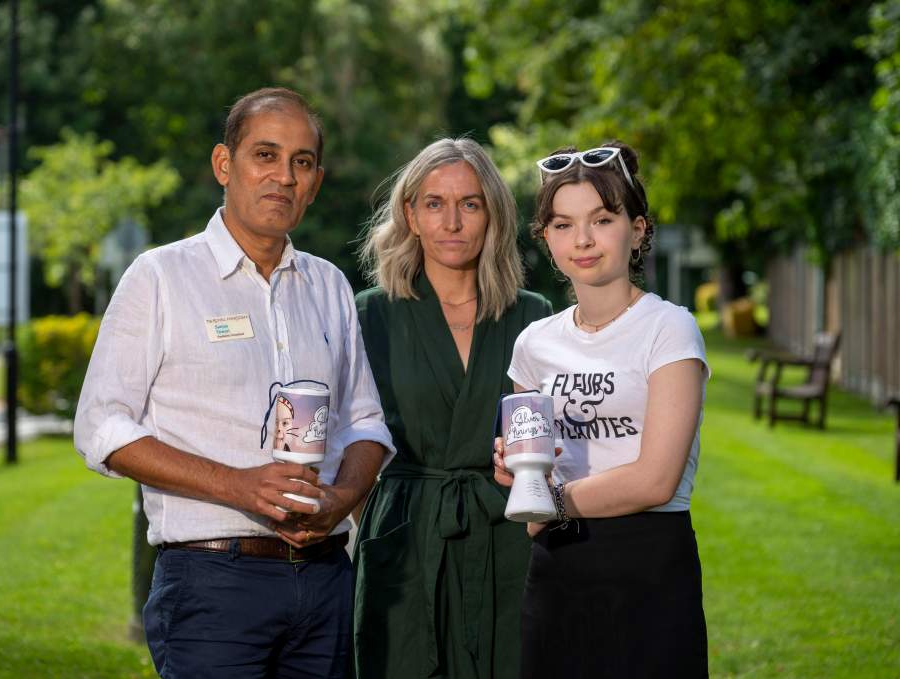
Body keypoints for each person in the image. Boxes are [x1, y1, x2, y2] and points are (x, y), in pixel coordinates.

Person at [73, 87, 394, 679]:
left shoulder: (328, 287)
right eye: (264, 156)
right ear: (225, 164)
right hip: (211, 584)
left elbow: (367, 424)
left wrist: (341, 501)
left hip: (326, 581)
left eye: (301, 162)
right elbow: (101, 426)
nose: (283, 177)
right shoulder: (161, 276)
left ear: (316, 181)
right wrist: (238, 486)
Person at [494, 142, 710, 678]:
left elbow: (656, 480)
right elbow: (529, 468)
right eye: (563, 225)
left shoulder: (670, 328)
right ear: (546, 238)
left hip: (649, 565)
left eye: (603, 219)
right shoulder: (533, 343)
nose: (583, 240)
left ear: (637, 230)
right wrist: (514, 468)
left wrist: (550, 500)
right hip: (557, 572)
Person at [353, 138, 552, 678]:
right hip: (404, 542)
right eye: (434, 203)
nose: (452, 222)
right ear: (410, 215)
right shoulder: (369, 315)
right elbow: (350, 441)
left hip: (508, 539)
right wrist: (377, 523)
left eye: (469, 204)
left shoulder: (533, 316)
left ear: (492, 214)